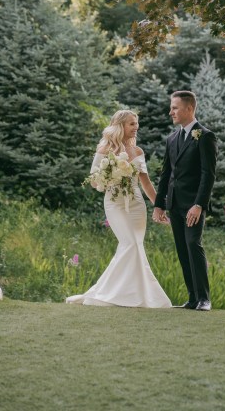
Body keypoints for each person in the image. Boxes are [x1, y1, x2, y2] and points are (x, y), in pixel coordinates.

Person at [66, 110, 171, 308]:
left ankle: (135, 295)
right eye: (132, 123)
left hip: (136, 204)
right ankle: (109, 293)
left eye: (137, 123)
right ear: (120, 125)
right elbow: (94, 182)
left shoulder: (138, 152)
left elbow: (147, 185)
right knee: (129, 243)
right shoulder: (104, 150)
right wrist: (110, 178)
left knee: (135, 246)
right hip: (115, 203)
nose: (136, 127)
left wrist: (160, 206)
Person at [153, 91, 217, 311]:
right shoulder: (172, 137)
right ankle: (192, 299)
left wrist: (199, 205)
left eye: (175, 108)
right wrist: (159, 205)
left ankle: (204, 299)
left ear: (189, 109)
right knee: (182, 249)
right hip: (174, 205)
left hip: (193, 206)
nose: (171, 112)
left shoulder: (205, 136)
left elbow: (208, 174)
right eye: (171, 108)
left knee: (193, 244)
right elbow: (166, 173)